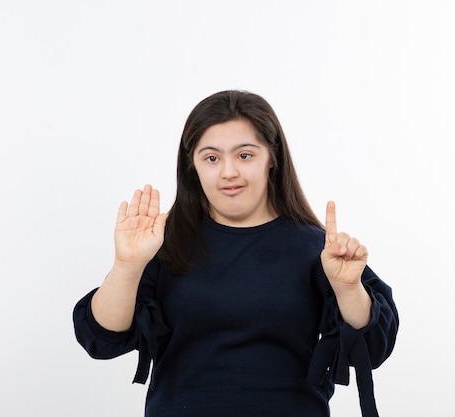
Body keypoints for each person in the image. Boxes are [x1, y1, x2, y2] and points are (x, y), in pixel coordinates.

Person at [73, 90, 399, 417]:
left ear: (272, 157)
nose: (229, 172)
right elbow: (101, 340)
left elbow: (371, 349)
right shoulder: (164, 244)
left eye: (245, 155)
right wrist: (127, 266)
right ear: (193, 166)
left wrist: (348, 290)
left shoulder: (318, 249)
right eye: (212, 158)